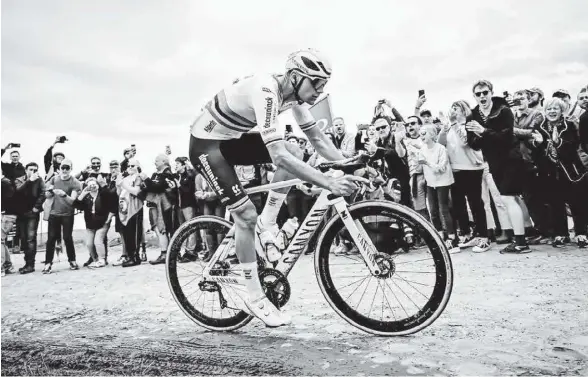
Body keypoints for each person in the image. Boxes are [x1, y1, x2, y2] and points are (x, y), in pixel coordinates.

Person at [189, 49, 364, 327]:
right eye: (316, 83)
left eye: (324, 85)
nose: (320, 90)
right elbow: (279, 157)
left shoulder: (294, 95)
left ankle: (268, 222)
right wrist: (329, 182)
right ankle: (255, 296)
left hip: (231, 139)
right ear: (295, 77)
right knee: (246, 215)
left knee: (294, 146)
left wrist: (350, 163)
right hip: (207, 146)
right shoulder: (267, 91)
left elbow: (317, 139)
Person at [466, 80, 530, 254]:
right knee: (511, 198)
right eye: (478, 94)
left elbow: (507, 137)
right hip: (493, 161)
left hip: (510, 159)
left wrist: (483, 131)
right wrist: (479, 134)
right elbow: (473, 144)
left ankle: (520, 242)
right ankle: (522, 237)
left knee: (509, 198)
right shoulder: (472, 115)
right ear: (474, 96)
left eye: (485, 92)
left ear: (491, 92)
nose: (482, 96)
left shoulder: (503, 111)